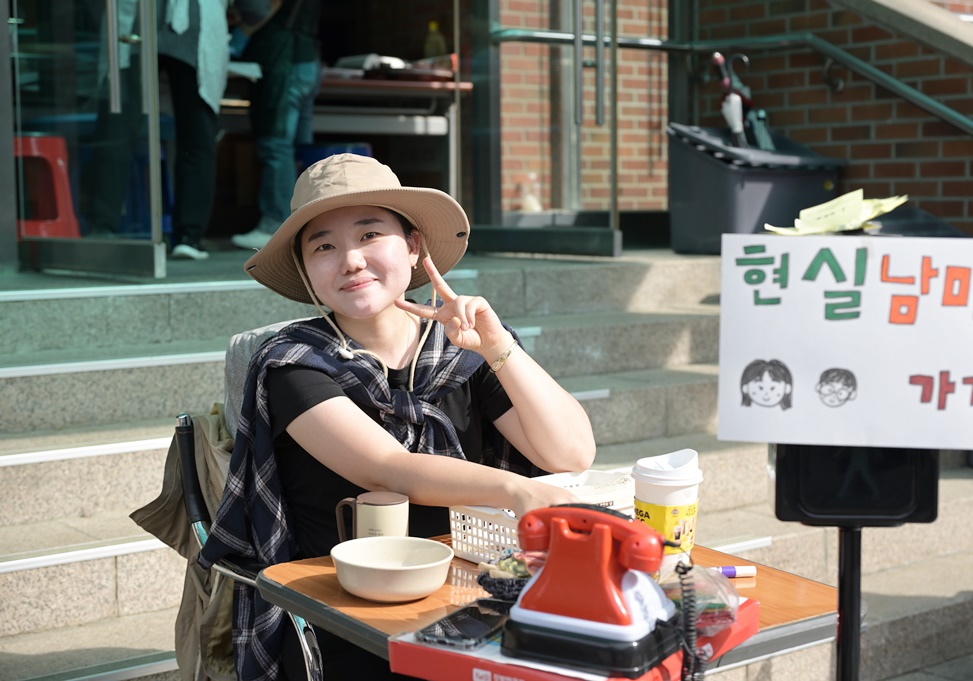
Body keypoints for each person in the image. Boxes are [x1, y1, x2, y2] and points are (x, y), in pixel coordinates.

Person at [198, 153, 596, 680]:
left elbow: (571, 453)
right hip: (343, 610)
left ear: (413, 247)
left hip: (470, 591)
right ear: (306, 271)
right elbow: (387, 467)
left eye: (369, 235)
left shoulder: (461, 351)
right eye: (323, 246)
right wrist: (516, 490)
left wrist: (498, 347)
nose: (351, 260)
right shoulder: (293, 363)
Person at [82, 0, 252, 259]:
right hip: (195, 22)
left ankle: (102, 228)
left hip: (135, 19)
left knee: (118, 128)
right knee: (196, 134)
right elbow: (256, 7)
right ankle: (188, 237)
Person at [230, 0, 322, 251]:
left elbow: (267, 5)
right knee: (299, 148)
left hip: (284, 59)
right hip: (307, 57)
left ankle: (274, 226)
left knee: (276, 144)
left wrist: (242, 33)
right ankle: (308, 226)